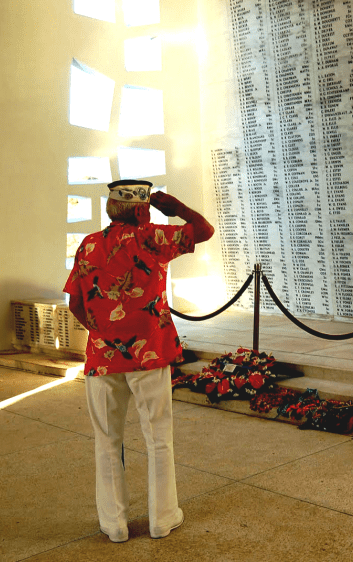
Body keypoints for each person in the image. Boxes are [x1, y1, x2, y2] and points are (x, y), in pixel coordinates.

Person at [64, 179, 214, 542]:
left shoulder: (87, 246)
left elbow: (75, 303)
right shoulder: (153, 238)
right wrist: (174, 206)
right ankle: (162, 518)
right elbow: (204, 230)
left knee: (107, 441)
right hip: (149, 354)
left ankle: (113, 524)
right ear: (142, 209)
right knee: (158, 438)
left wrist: (104, 335)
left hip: (103, 359)